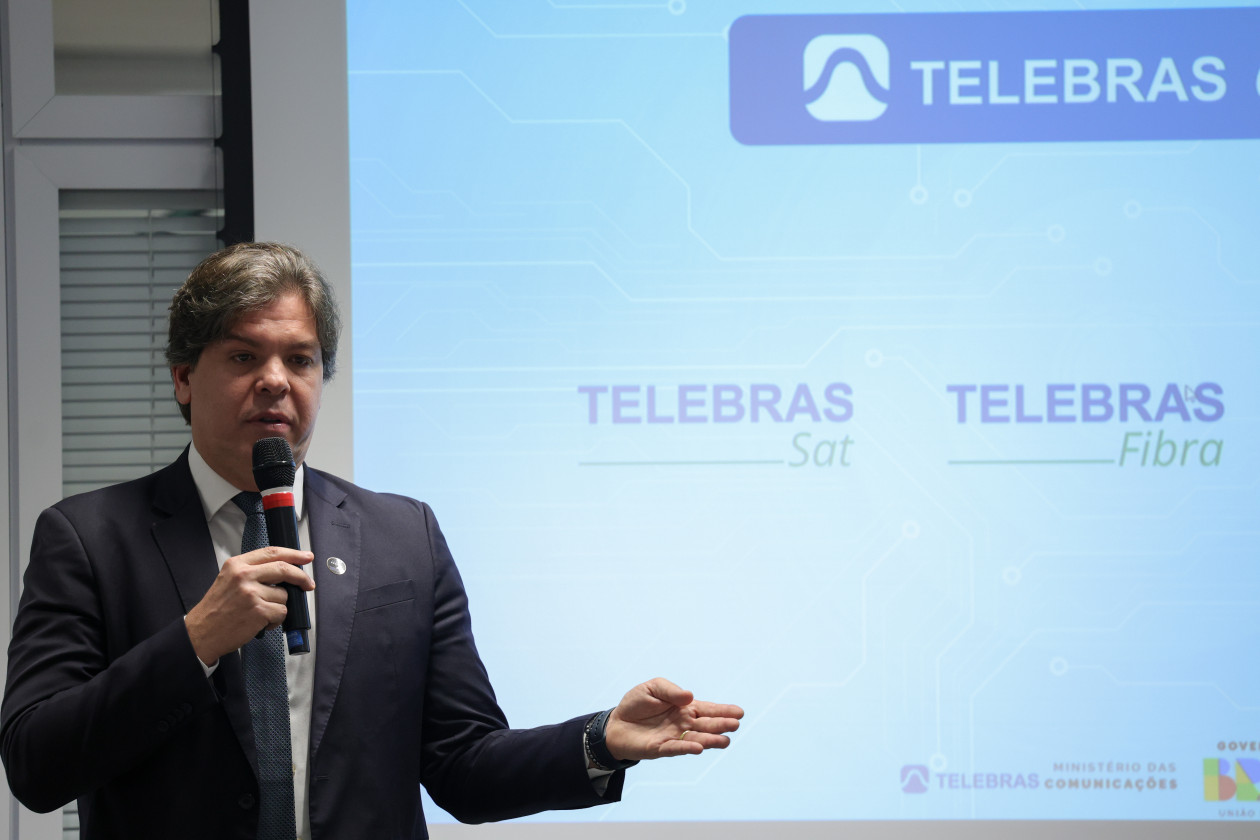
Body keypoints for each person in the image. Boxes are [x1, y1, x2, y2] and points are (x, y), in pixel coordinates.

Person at [1, 242, 743, 839]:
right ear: (184, 378)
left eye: (300, 359)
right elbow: (36, 764)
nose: (275, 381)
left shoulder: (402, 536)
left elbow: (462, 765)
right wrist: (195, 641)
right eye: (243, 357)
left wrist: (599, 741)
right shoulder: (90, 537)